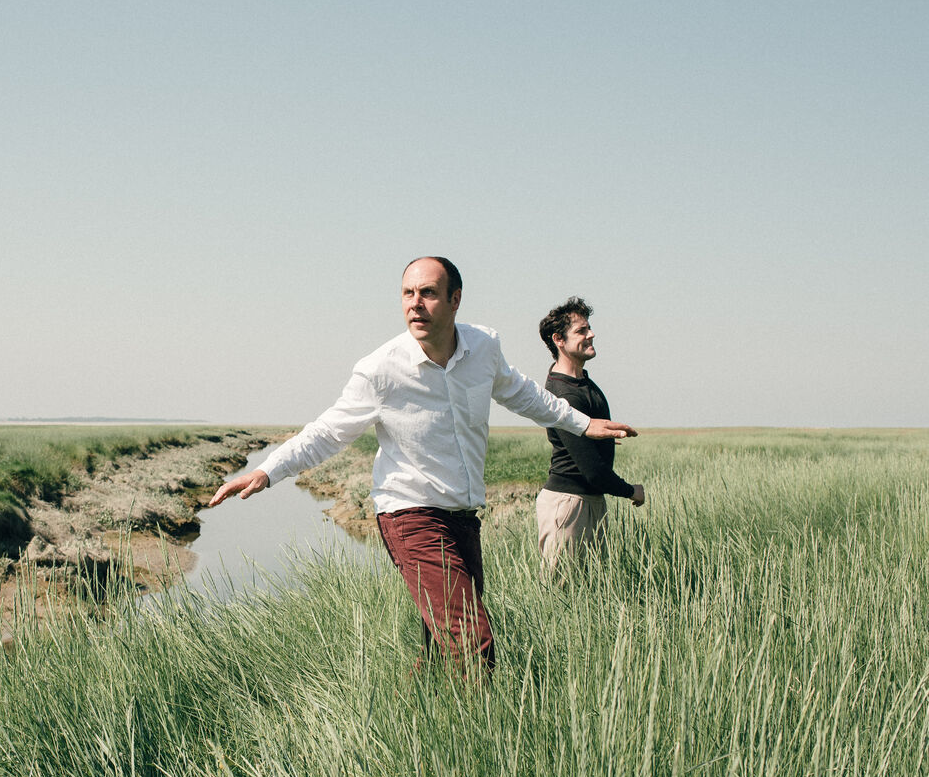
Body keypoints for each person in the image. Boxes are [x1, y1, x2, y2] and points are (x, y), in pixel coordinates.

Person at [207, 257, 637, 676]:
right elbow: (328, 432)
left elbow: (523, 394)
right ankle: (480, 723)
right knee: (472, 641)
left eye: (428, 293)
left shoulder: (483, 347)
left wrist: (582, 424)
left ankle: (413, 708)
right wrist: (267, 470)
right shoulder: (380, 369)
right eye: (407, 293)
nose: (415, 303)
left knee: (441, 643)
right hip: (409, 514)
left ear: (455, 300)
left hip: (462, 515)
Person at [535, 297, 645, 567]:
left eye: (589, 328)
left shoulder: (581, 381)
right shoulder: (564, 394)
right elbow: (592, 470)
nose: (591, 334)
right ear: (559, 340)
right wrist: (631, 491)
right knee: (564, 587)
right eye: (581, 331)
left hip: (589, 500)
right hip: (569, 504)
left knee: (591, 586)